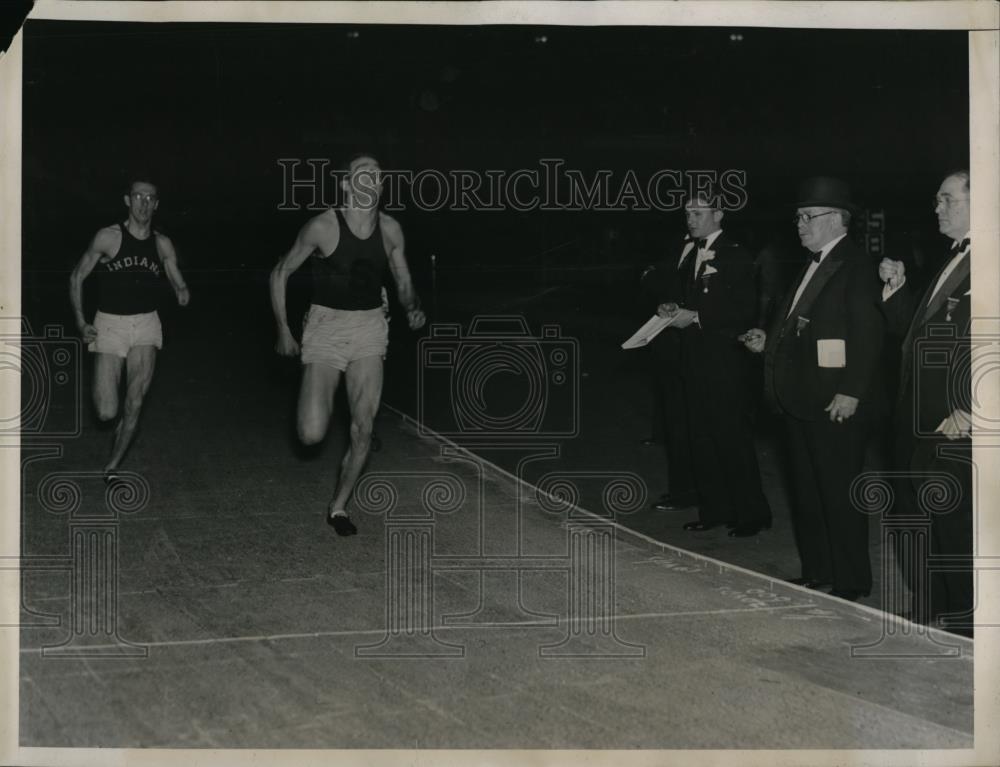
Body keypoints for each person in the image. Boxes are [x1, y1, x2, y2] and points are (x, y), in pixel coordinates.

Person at [743, 177, 884, 601]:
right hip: (801, 397)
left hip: (835, 400)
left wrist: (852, 391)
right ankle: (819, 572)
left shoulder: (857, 266)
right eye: (798, 217)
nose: (800, 225)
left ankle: (851, 579)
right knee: (807, 491)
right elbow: (798, 327)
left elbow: (868, 334)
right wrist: (768, 340)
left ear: (838, 220)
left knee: (838, 492)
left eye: (808, 217)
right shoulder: (809, 265)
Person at [269, 153, 425, 536]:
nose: (371, 178)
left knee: (363, 428)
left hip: (371, 327)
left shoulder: (390, 230)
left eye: (377, 174)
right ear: (345, 184)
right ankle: (325, 403)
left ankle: (339, 506)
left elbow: (402, 280)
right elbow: (280, 272)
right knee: (310, 434)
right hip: (325, 327)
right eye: (362, 173)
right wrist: (284, 329)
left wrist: (412, 307)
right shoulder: (323, 225)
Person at [879, 170, 973, 635]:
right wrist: (898, 294)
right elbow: (918, 335)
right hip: (917, 414)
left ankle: (968, 620)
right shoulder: (950, 259)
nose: (937, 207)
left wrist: (975, 408)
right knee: (917, 515)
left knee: (956, 525)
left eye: (947, 199)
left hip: (956, 420)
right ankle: (930, 602)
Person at [646, 192, 771, 535]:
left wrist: (697, 317)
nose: (690, 218)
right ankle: (715, 509)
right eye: (687, 212)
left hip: (725, 362)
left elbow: (742, 310)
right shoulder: (690, 255)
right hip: (693, 360)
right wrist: (671, 308)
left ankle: (752, 514)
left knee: (731, 439)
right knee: (701, 439)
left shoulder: (735, 255)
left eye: (698, 212)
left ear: (719, 214)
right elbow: (684, 296)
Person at [69, 177, 191, 480]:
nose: (144, 204)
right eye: (138, 197)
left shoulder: (162, 243)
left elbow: (176, 276)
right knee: (107, 412)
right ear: (127, 200)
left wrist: (182, 291)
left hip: (146, 324)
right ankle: (117, 429)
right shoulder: (108, 237)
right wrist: (80, 321)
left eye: (150, 198)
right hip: (109, 324)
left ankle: (113, 465)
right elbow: (76, 278)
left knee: (135, 401)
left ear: (157, 204)